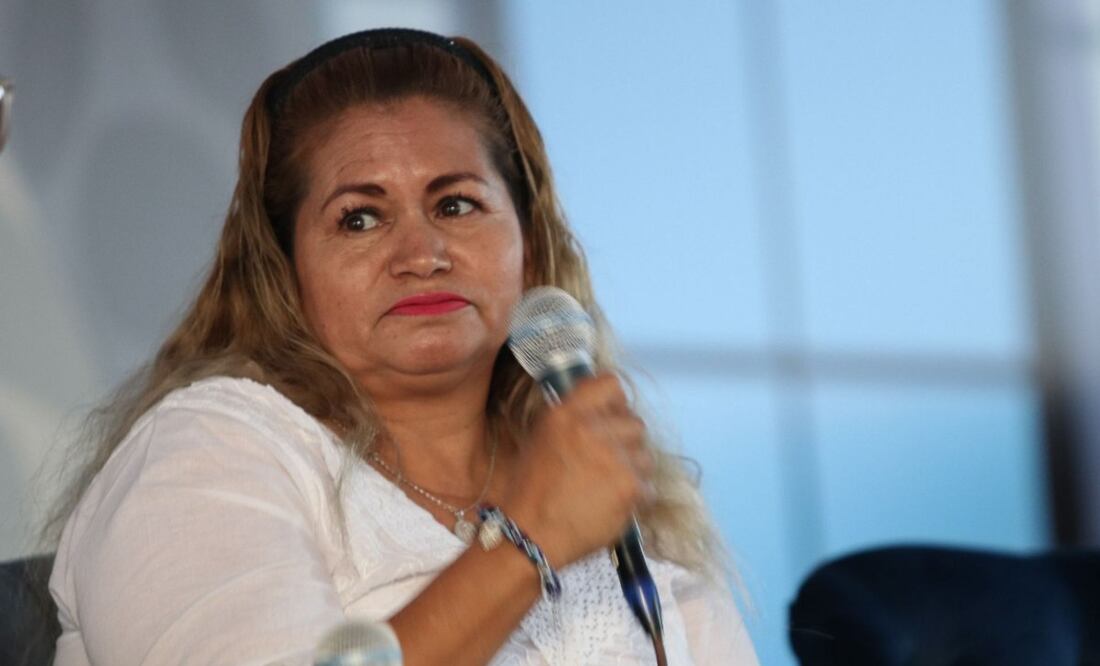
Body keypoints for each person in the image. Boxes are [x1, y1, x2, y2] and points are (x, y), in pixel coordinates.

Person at [45, 28, 759, 665]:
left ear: (531, 251)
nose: (421, 253)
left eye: (456, 205)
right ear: (283, 274)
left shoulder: (611, 499)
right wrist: (527, 540)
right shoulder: (208, 451)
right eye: (359, 219)